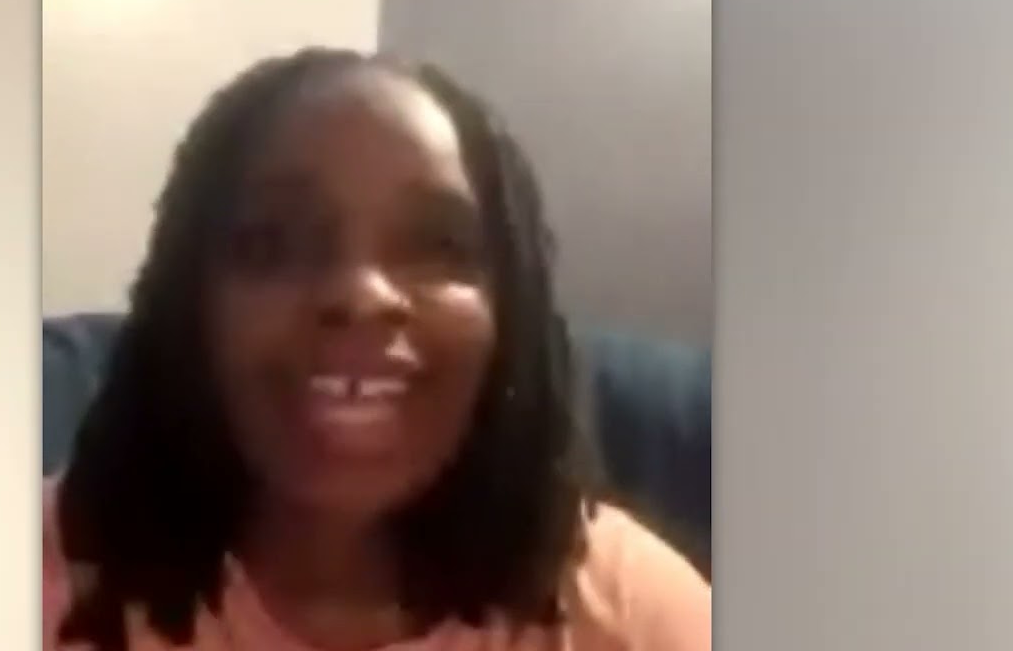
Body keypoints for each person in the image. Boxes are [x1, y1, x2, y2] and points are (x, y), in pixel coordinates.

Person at [43, 48, 710, 651]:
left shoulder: (631, 615)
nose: (360, 295)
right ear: (190, 306)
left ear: (510, 317)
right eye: (272, 243)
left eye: (439, 246)